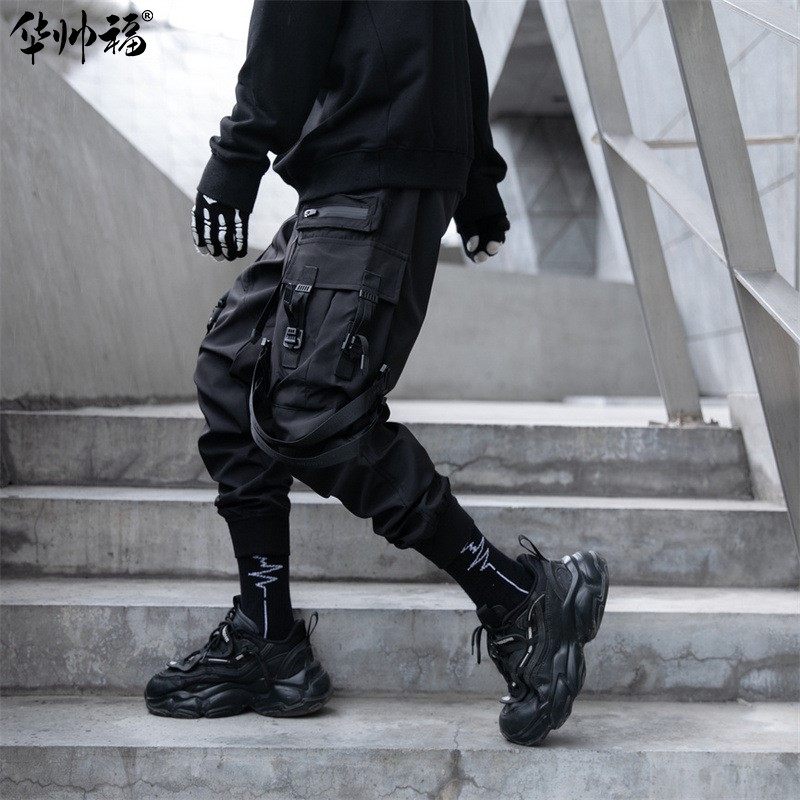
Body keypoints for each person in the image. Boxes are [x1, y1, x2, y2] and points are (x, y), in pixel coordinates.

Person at [144, 0, 608, 746]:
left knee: (312, 411)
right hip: (361, 174)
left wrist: (239, 153)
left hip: (370, 174)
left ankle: (518, 595)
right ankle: (268, 637)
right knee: (234, 367)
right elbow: (451, 31)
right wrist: (478, 181)